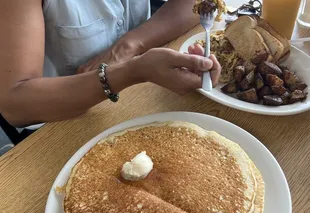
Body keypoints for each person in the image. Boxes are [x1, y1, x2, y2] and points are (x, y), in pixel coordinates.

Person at [0, 0, 221, 127]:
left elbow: (199, 4)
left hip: (141, 95)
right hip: (61, 120)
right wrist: (131, 72)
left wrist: (129, 45)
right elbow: (15, 105)